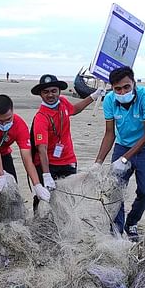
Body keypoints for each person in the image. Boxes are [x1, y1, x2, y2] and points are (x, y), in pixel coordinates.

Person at [93, 66, 145, 241]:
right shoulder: (109, 101)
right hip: (122, 145)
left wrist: (124, 159)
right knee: (116, 190)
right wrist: (98, 162)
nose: (122, 92)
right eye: (117, 88)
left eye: (126, 87)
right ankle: (116, 229)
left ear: (134, 83)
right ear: (112, 88)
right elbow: (109, 133)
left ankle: (132, 222)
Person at [30, 74, 104, 207]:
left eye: (53, 91)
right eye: (46, 92)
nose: (50, 95)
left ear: (59, 91)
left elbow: (74, 110)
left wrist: (93, 96)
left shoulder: (63, 102)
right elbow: (42, 149)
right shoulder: (41, 118)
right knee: (45, 198)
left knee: (68, 198)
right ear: (40, 94)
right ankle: (39, 224)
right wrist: (46, 174)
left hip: (68, 160)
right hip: (48, 163)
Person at [0, 94, 50, 203]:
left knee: (12, 187)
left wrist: (37, 185)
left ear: (13, 111)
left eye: (8, 119)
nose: (4, 123)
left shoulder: (20, 126)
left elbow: (27, 159)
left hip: (3, 153)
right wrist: (0, 175)